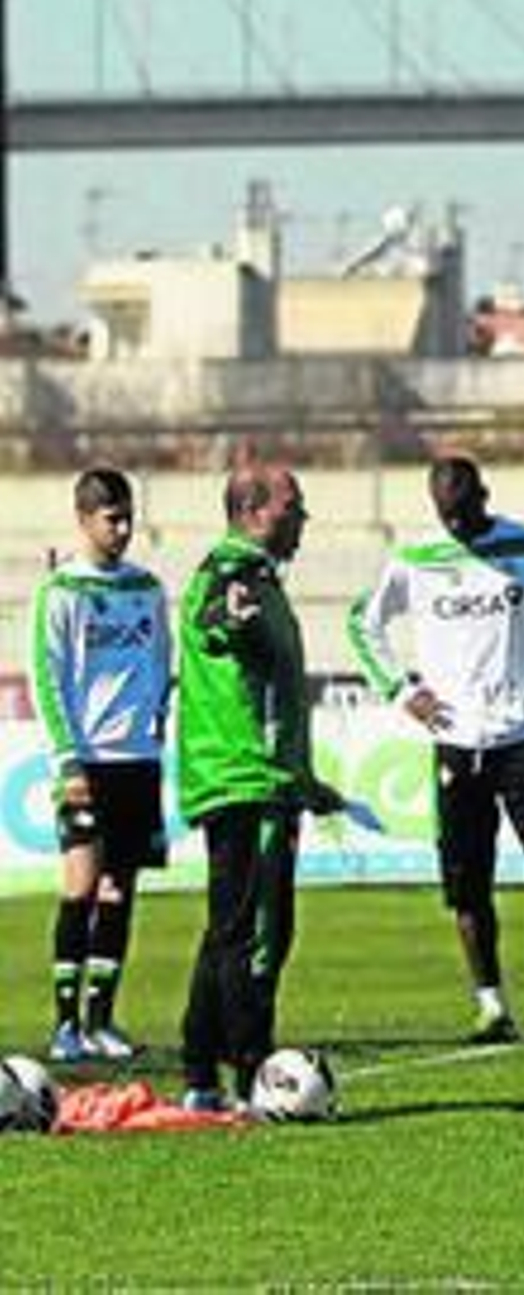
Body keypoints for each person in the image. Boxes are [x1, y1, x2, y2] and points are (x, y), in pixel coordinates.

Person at [349, 455, 524, 1043]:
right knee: (467, 886)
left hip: (523, 743)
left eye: (464, 514)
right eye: (447, 517)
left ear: (485, 496)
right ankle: (491, 1007)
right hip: (457, 748)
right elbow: (364, 623)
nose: (457, 527)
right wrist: (401, 689)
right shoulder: (416, 558)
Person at [177, 463, 336, 1111]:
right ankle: (254, 1074)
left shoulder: (254, 575)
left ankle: (198, 1073)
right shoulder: (233, 572)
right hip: (248, 780)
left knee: (228, 927)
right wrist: (233, 615)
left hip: (250, 777)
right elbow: (221, 616)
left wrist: (305, 781)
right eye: (292, 504)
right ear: (253, 510)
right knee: (259, 933)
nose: (303, 516)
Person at [29, 468, 172, 1064]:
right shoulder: (60, 591)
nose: (123, 528)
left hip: (137, 759)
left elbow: (163, 660)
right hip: (87, 759)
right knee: (81, 885)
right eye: (111, 518)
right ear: (84, 519)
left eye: (128, 516)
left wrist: (157, 724)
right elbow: (48, 676)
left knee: (120, 890)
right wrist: (67, 759)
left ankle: (101, 1020)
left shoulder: (147, 587)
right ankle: (64, 1025)